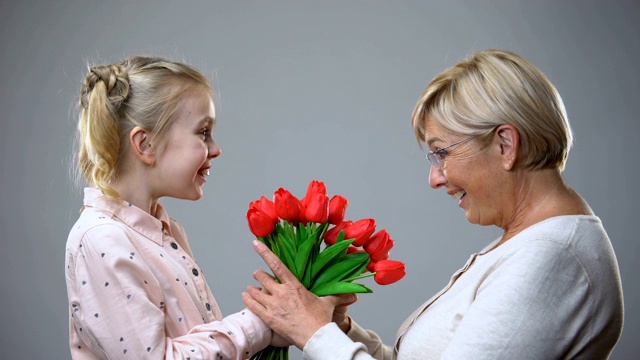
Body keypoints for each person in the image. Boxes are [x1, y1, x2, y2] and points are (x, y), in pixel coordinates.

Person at [242, 49, 625, 359]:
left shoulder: (550, 258)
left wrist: (315, 334)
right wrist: (338, 329)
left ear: (505, 145)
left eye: (442, 153)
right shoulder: (531, 242)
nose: (435, 178)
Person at [65, 55, 274, 359]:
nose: (216, 149)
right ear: (146, 145)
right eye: (203, 132)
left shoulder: (164, 231)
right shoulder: (101, 240)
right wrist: (259, 325)